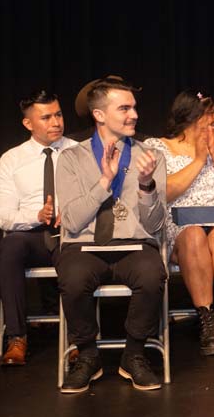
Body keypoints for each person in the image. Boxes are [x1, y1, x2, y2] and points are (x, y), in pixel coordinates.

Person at [55, 79, 168, 393]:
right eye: (124, 108)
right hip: (86, 244)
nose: (134, 115)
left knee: (151, 273)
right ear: (99, 115)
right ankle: (88, 355)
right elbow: (73, 221)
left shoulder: (150, 155)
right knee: (74, 277)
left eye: (134, 107)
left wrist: (147, 186)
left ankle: (133, 354)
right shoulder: (71, 159)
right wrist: (104, 181)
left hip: (134, 244)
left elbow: (156, 224)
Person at [144, 92, 214, 357]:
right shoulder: (157, 146)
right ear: (189, 117)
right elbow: (163, 193)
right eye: (209, 115)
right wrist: (200, 159)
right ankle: (207, 319)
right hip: (181, 224)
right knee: (193, 236)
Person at [0, 90, 75, 366]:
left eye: (59, 115)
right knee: (10, 247)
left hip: (69, 232)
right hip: (30, 234)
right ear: (28, 124)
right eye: (47, 117)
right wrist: (36, 214)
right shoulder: (11, 160)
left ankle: (78, 337)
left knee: (75, 252)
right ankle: (16, 337)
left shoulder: (79, 152)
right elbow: (3, 215)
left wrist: (74, 213)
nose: (56, 122)